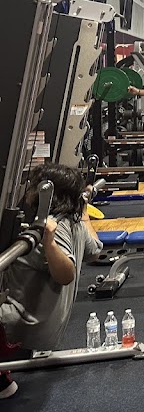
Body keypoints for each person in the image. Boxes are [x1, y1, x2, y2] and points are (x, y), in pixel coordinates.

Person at [0, 163, 102, 398]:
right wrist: (84, 211)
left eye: (33, 185)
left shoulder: (54, 227)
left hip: (18, 331)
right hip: (42, 328)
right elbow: (95, 250)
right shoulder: (74, 222)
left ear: (46, 191)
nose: (29, 189)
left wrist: (49, 241)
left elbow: (66, 274)